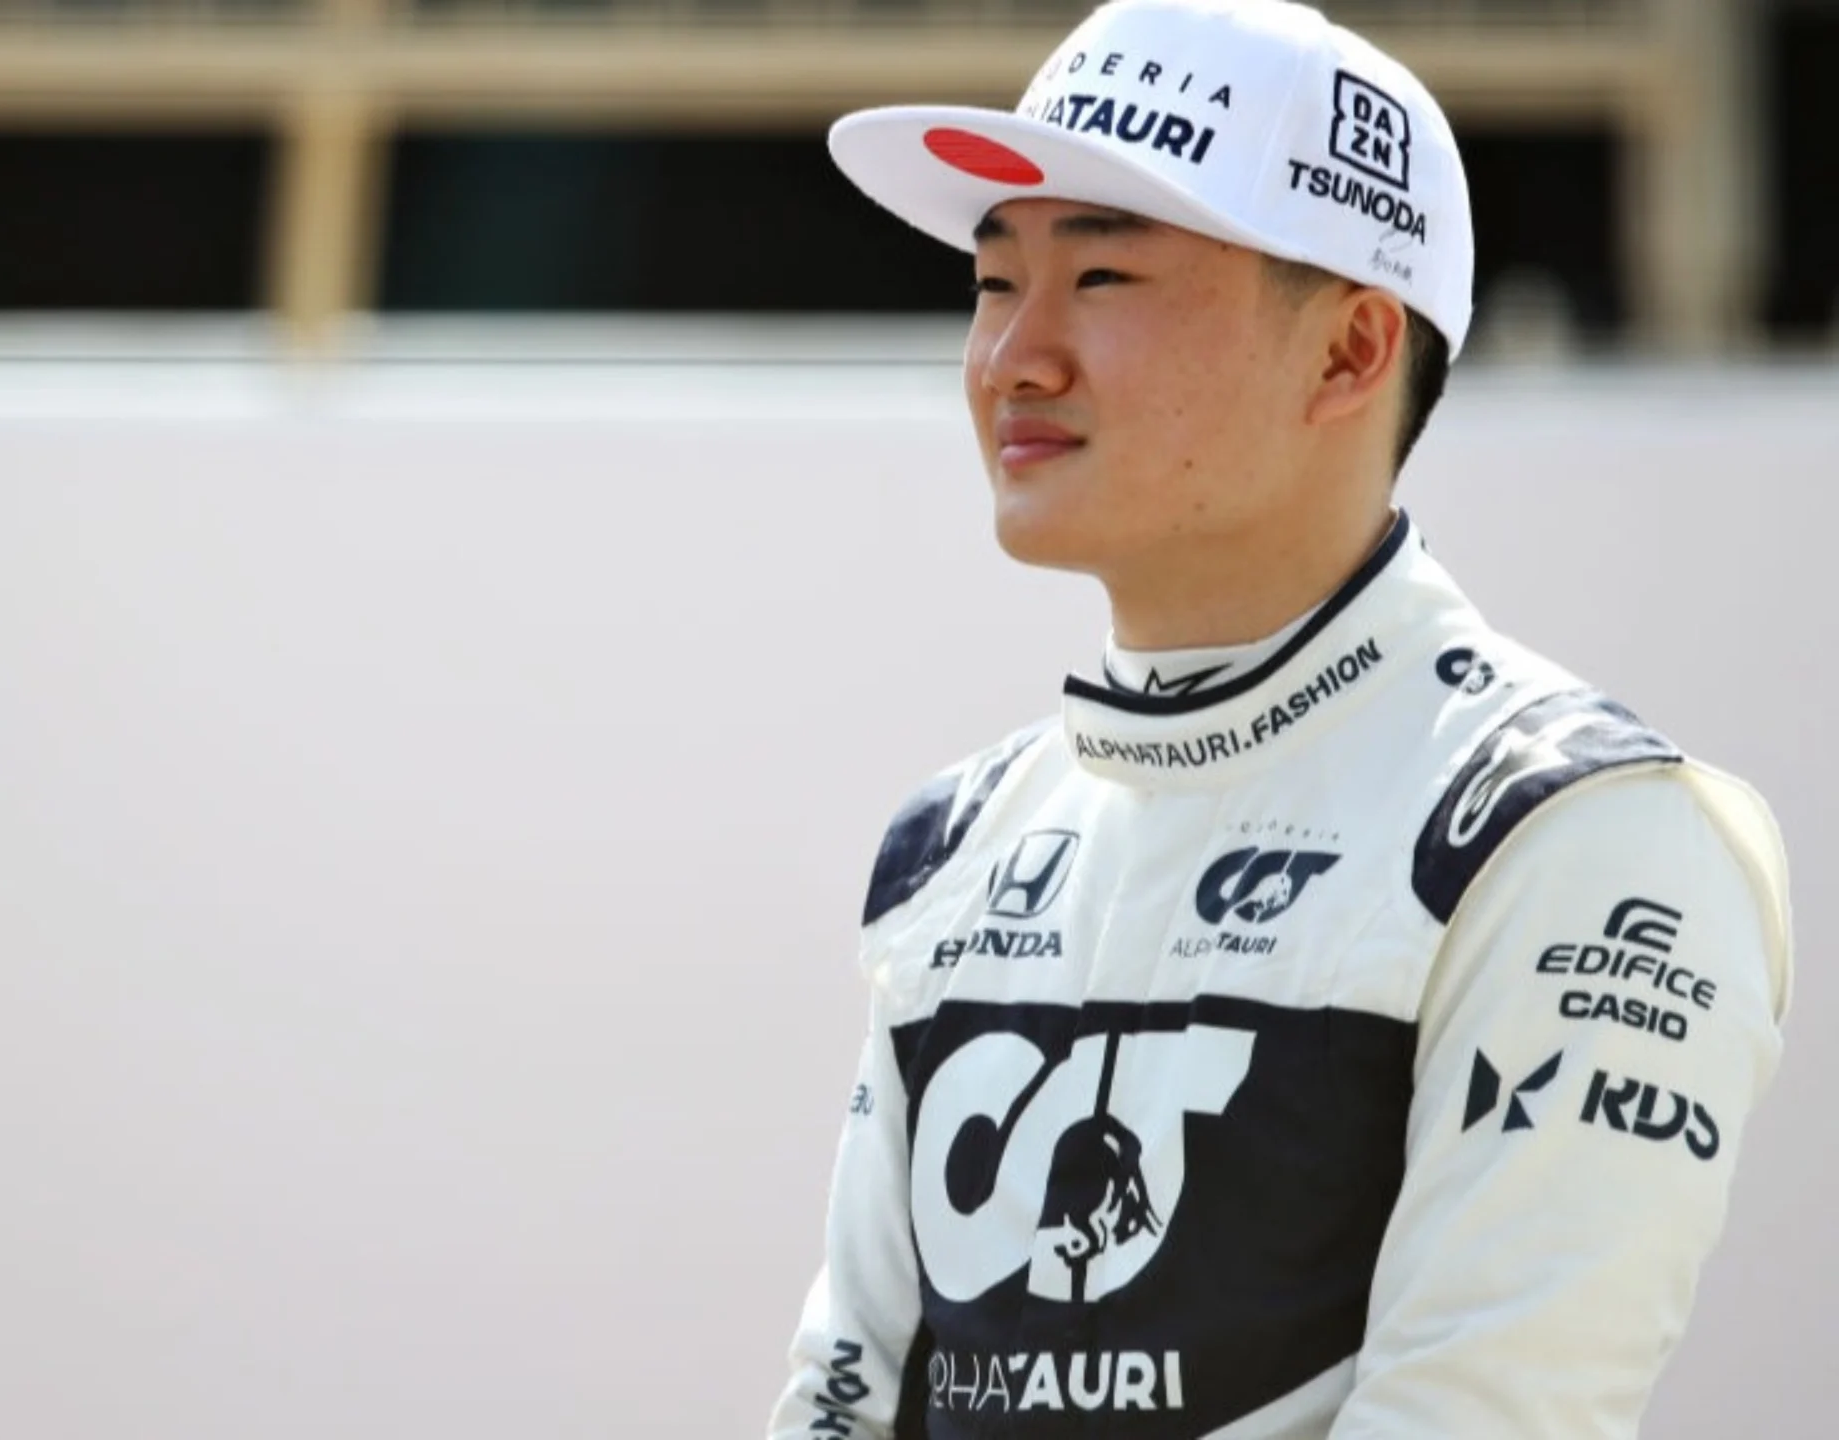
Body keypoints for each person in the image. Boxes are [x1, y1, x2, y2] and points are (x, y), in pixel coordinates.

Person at [767, 1, 1794, 1436]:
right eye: (996, 283)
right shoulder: (958, 840)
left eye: (1103, 275)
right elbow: (841, 1399)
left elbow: (1480, 1415)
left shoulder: (1581, 833)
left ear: (1351, 352)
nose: (1015, 359)